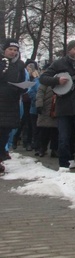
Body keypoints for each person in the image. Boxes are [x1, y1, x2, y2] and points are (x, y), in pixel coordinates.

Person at [39, 40, 75, 173]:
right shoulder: (58, 64)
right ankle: (64, 164)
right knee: (64, 137)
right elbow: (43, 78)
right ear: (69, 50)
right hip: (64, 105)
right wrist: (57, 80)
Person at [0, 38, 27, 173]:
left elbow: (23, 81)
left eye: (15, 50)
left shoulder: (20, 65)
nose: (12, 52)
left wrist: (23, 88)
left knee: (5, 132)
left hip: (11, 103)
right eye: (10, 49)